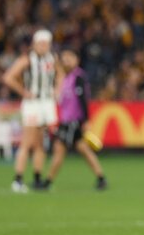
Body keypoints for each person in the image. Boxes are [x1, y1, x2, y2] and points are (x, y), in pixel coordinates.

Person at [3, 29, 61, 193]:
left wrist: (57, 89)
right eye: (41, 43)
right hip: (33, 104)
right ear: (34, 44)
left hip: (47, 103)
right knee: (27, 142)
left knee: (41, 144)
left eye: (46, 43)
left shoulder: (52, 58)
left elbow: (61, 76)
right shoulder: (27, 59)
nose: (43, 46)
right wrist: (24, 92)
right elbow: (8, 77)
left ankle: (37, 178)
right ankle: (18, 179)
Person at [43, 49, 108, 191]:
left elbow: (83, 100)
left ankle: (47, 182)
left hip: (73, 121)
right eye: (64, 57)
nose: (66, 60)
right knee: (83, 149)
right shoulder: (65, 78)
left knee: (59, 149)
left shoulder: (78, 77)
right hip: (68, 121)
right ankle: (101, 178)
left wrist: (86, 120)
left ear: (76, 59)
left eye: (69, 57)